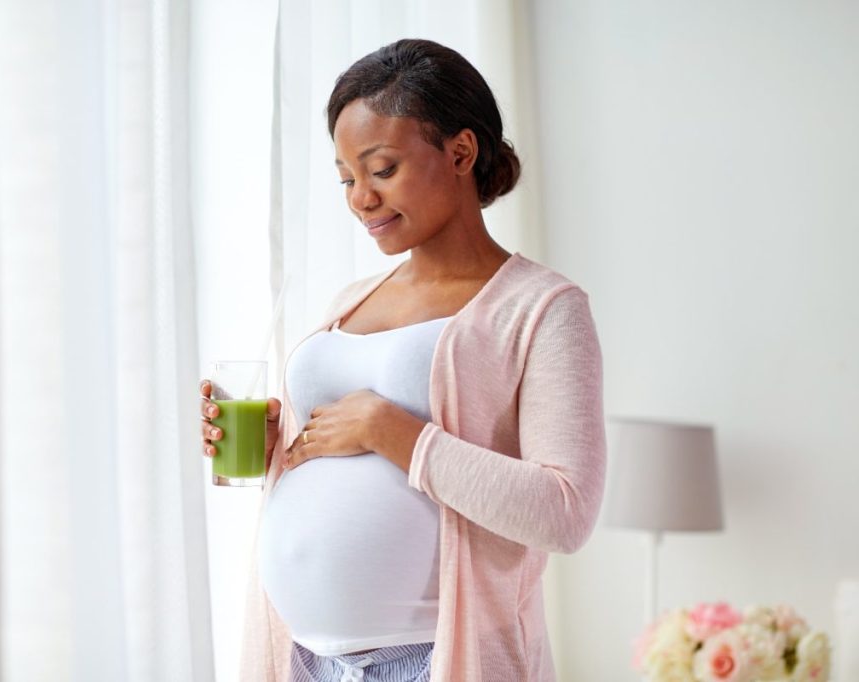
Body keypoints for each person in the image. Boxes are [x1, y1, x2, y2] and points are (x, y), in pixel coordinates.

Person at [199, 38, 605, 682]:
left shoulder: (541, 307)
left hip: (433, 660)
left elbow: (564, 512)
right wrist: (278, 446)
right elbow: (335, 454)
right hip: (306, 658)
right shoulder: (350, 302)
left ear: (461, 152)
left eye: (381, 169)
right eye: (345, 178)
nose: (360, 198)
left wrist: (393, 432)